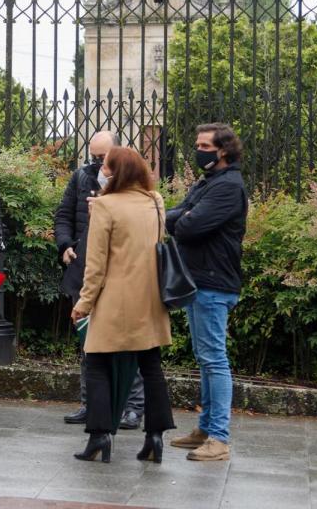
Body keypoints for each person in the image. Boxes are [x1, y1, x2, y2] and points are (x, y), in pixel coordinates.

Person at [70, 147, 176, 464]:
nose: (102, 171)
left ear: (116, 172)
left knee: (98, 364)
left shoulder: (105, 205)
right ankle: (155, 436)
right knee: (151, 366)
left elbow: (96, 264)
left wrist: (84, 303)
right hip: (151, 298)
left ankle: (100, 435)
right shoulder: (155, 202)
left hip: (115, 300)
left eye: (106, 167)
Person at [166, 123, 248, 462]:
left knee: (214, 359)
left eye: (204, 145)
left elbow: (187, 225)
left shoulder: (228, 187)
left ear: (223, 150)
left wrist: (182, 218)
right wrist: (181, 217)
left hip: (213, 284)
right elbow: (173, 216)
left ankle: (219, 438)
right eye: (197, 143)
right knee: (205, 360)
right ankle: (205, 428)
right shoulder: (209, 182)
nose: (198, 150)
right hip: (200, 281)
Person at [55, 132, 145, 429]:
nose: (96, 163)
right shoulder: (81, 178)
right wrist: (65, 244)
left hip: (118, 277)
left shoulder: (132, 186)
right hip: (83, 270)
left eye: (102, 157)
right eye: (92, 156)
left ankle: (131, 406)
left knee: (125, 343)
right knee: (87, 341)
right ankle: (90, 402)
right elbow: (64, 215)